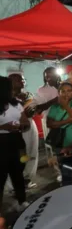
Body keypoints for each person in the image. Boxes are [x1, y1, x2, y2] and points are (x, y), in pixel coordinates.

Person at [47, 83, 72, 185]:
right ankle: (67, 188)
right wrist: (68, 120)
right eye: (63, 91)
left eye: (69, 91)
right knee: (65, 170)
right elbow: (50, 124)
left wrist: (65, 106)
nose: (66, 94)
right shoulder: (55, 107)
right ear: (59, 93)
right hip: (61, 143)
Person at [0, 76, 30, 213]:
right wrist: (5, 126)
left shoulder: (16, 104)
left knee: (18, 171)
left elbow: (25, 121)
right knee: (1, 175)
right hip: (2, 143)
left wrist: (22, 125)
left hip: (17, 141)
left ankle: (22, 200)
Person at [8, 74, 38, 189]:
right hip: (14, 128)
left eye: (22, 79)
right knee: (17, 156)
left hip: (29, 125)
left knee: (32, 152)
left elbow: (32, 109)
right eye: (18, 79)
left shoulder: (28, 94)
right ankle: (14, 185)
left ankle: (27, 179)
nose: (22, 81)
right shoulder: (5, 97)